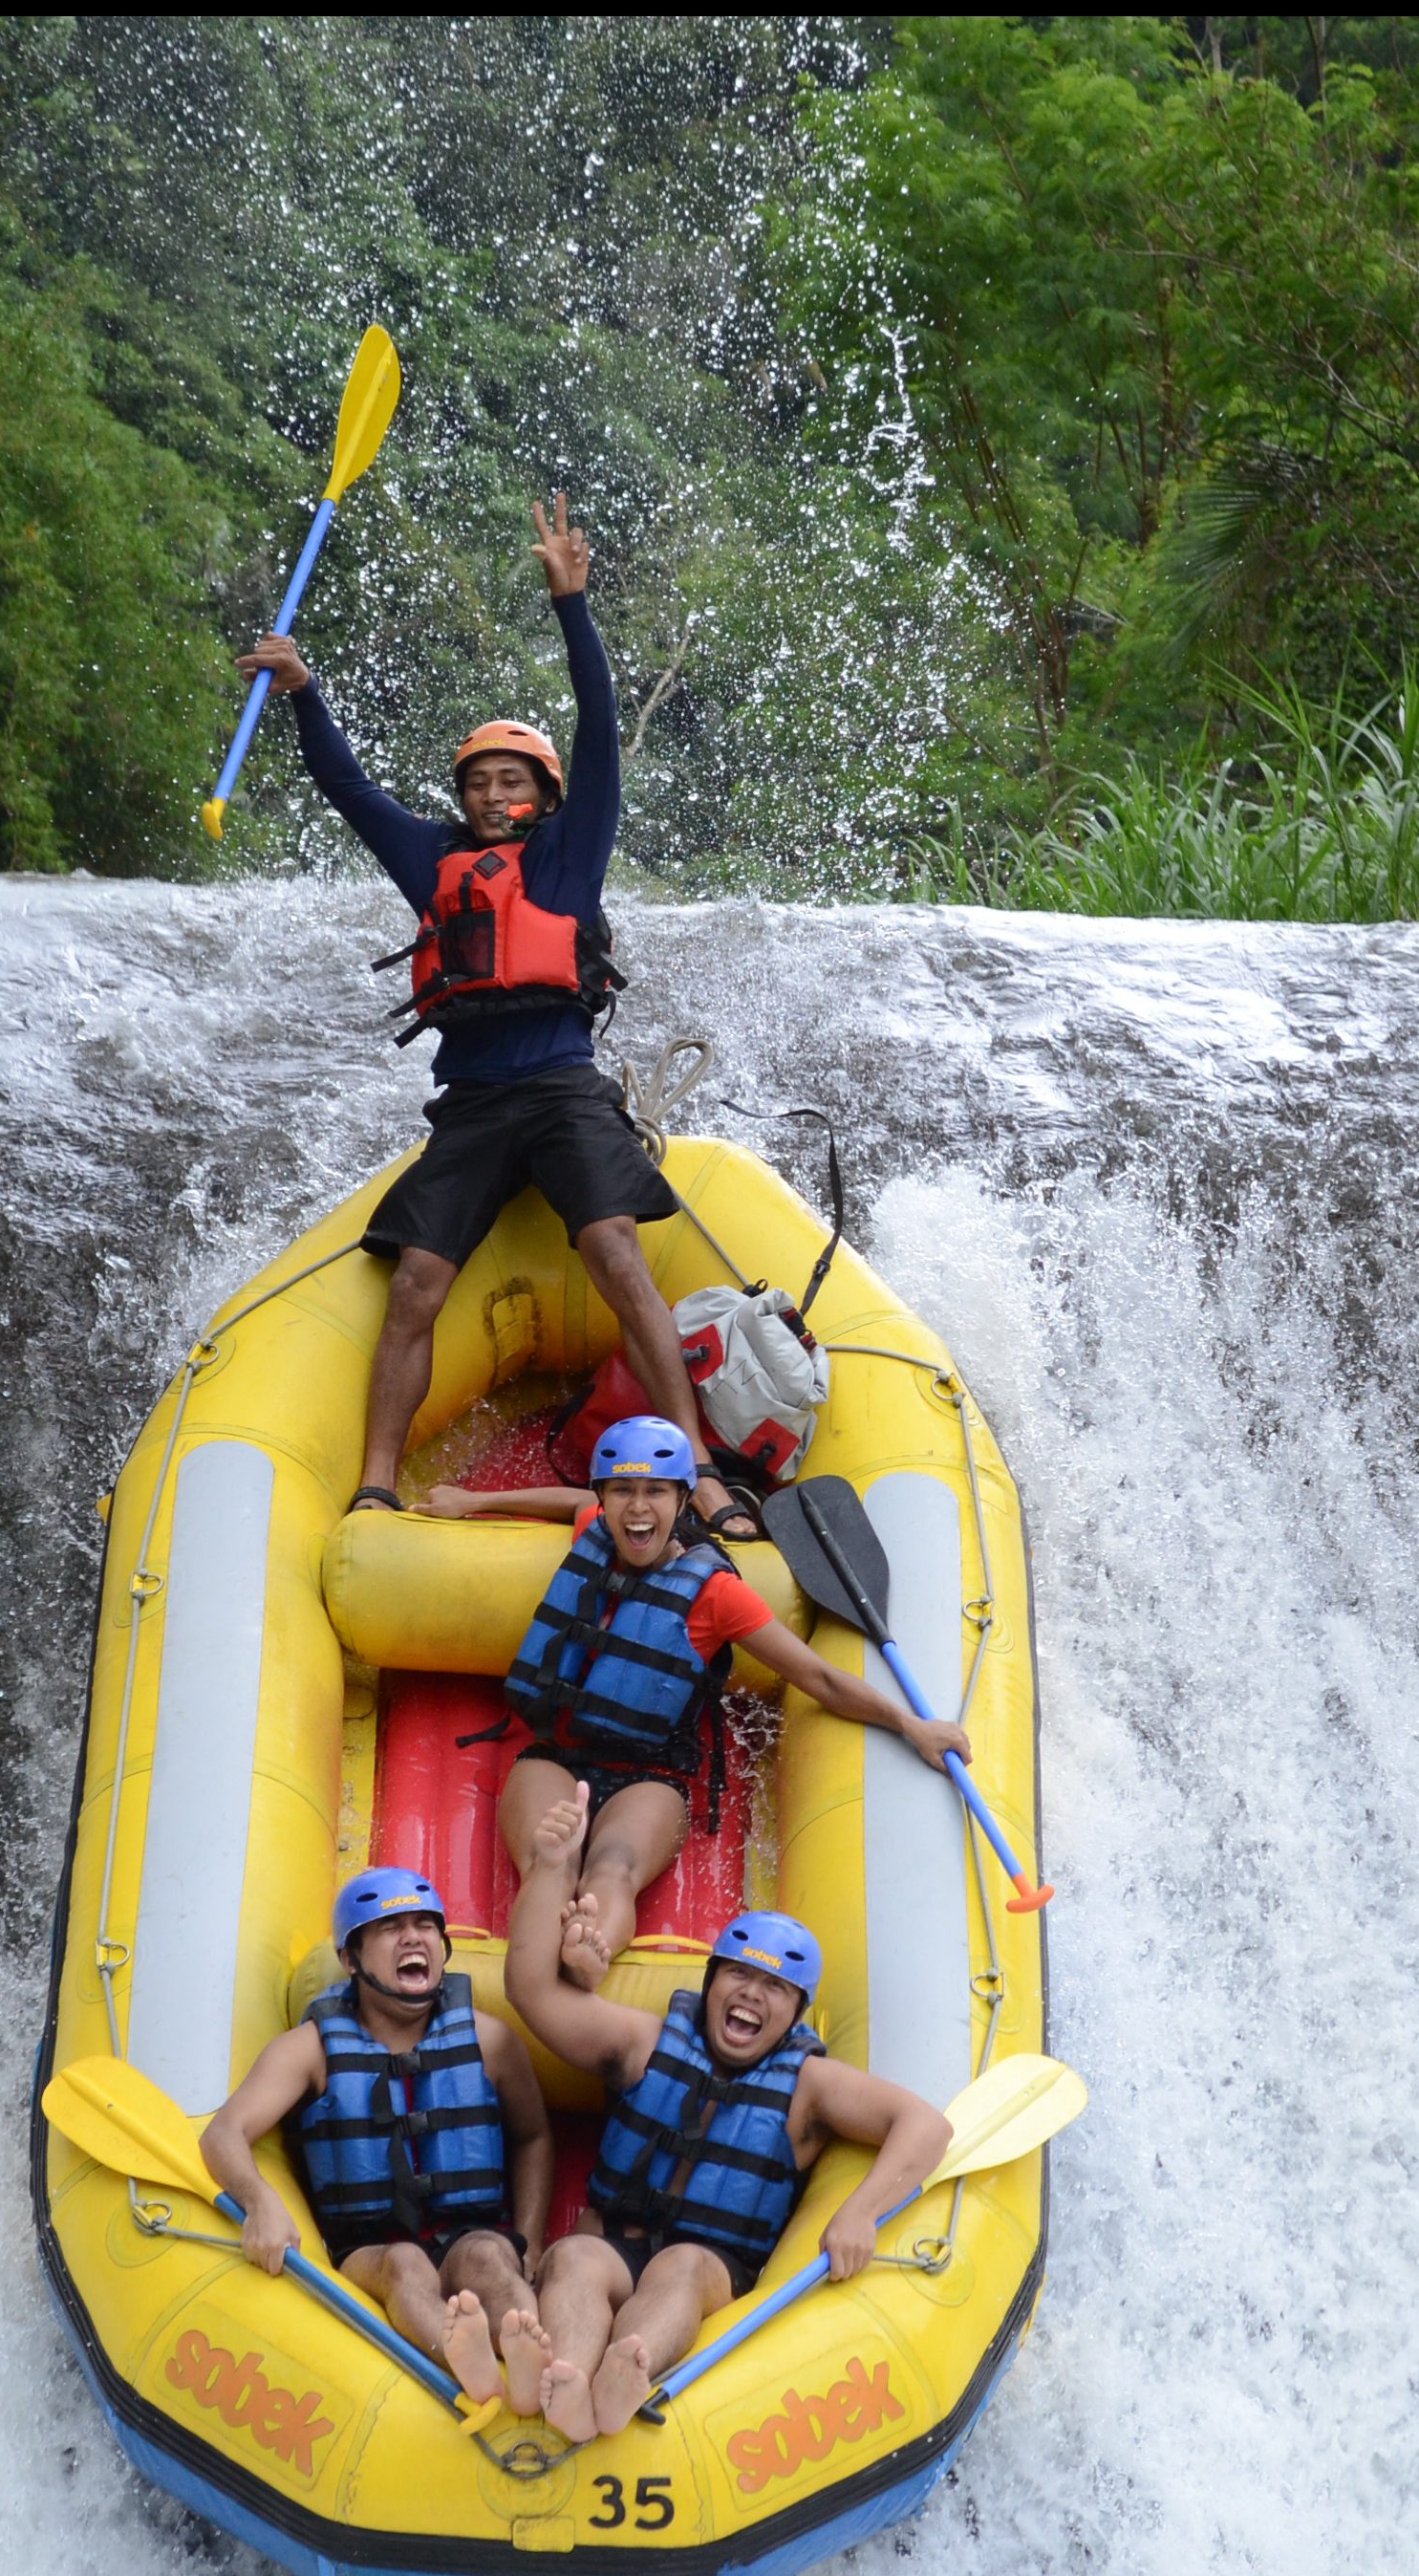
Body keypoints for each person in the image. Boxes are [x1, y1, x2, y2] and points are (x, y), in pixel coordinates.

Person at [235, 493, 752, 1540]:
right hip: (473, 1101)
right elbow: (346, 787)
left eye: (511, 779)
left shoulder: (570, 849)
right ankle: (377, 1479)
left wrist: (573, 605)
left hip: (561, 1088)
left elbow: (599, 725)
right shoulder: (432, 862)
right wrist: (303, 691)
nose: (491, 793)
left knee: (612, 1247)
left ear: (544, 794)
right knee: (418, 1281)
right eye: (478, 781)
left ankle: (694, 1464)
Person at [422, 1416, 973, 1985]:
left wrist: (911, 1724)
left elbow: (819, 1678)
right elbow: (567, 1502)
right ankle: (549, 1941)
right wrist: (474, 1501)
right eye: (622, 1491)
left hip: (648, 1776)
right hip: (554, 1757)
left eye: (656, 1491)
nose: (639, 1509)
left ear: (683, 1499)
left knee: (613, 1867)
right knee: (549, 1857)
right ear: (604, 1498)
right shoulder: (595, 1530)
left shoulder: (715, 1593)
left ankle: (590, 1947)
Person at [504, 1809, 954, 2439]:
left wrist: (860, 2212)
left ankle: (626, 2369)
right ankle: (571, 2380)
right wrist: (552, 1867)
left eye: (774, 1986)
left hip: (711, 2267)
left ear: (796, 2012)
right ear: (711, 1982)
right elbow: (532, 1993)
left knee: (680, 2267)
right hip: (610, 2245)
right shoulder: (644, 2043)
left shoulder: (809, 2087)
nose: (752, 1994)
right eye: (740, 1974)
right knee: (574, 2255)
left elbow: (925, 2126)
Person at [199, 1867, 554, 2413]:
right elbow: (224, 2133)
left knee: (489, 2256)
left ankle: (532, 2371)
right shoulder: (310, 2050)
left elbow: (532, 2136)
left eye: (425, 1925)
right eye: (390, 1927)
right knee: (405, 2266)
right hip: (368, 2248)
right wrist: (260, 2201)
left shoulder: (490, 2040)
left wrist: (526, 2241)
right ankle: (470, 2368)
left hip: (471, 2231)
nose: (413, 1937)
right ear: (350, 1958)